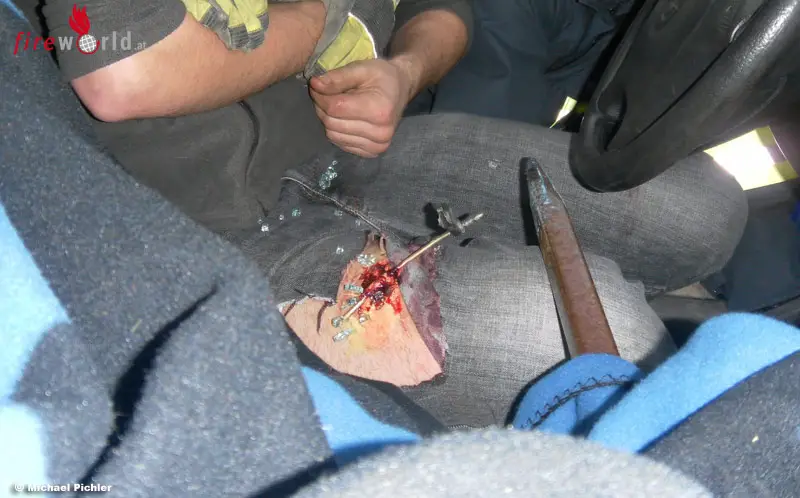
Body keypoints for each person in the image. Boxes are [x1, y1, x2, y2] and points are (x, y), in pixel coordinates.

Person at [21, 0, 747, 427]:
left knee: (705, 208)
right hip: (207, 227)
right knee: (605, 343)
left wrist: (404, 71)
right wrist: (318, 22)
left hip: (356, 153)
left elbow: (446, 10)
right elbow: (121, 70)